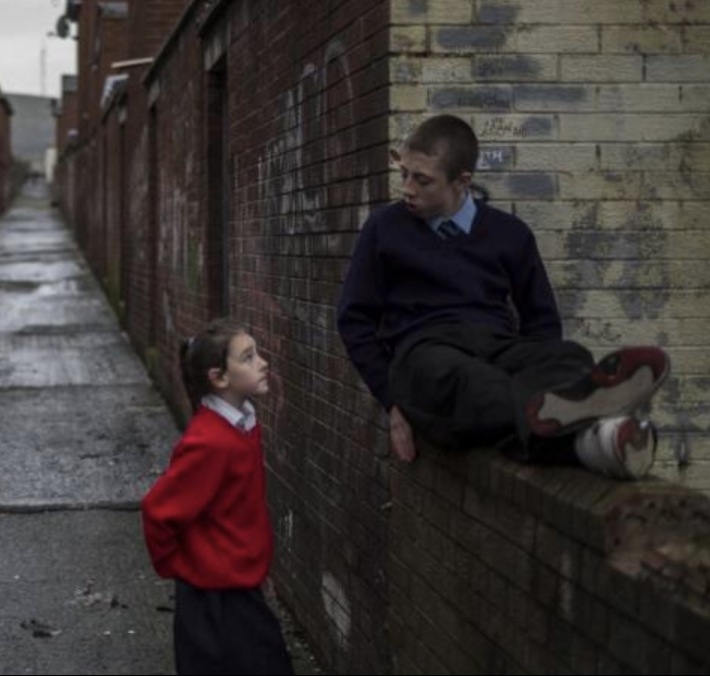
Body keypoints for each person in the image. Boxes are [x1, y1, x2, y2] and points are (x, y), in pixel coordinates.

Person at [336, 114, 669, 479]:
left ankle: (586, 441)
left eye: (422, 179)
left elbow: (541, 321)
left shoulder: (510, 234)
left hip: (497, 344)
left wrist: (539, 367)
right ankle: (594, 433)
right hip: (424, 351)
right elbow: (354, 320)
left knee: (569, 358)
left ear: (462, 181)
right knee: (468, 381)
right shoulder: (385, 228)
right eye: (404, 174)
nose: (408, 188)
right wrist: (392, 400)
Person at [142, 318, 294, 675]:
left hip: (238, 586)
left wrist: (254, 567)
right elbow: (158, 510)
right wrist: (181, 567)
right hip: (212, 600)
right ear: (219, 378)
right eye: (248, 357)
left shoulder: (241, 424)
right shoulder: (209, 441)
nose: (262, 362)